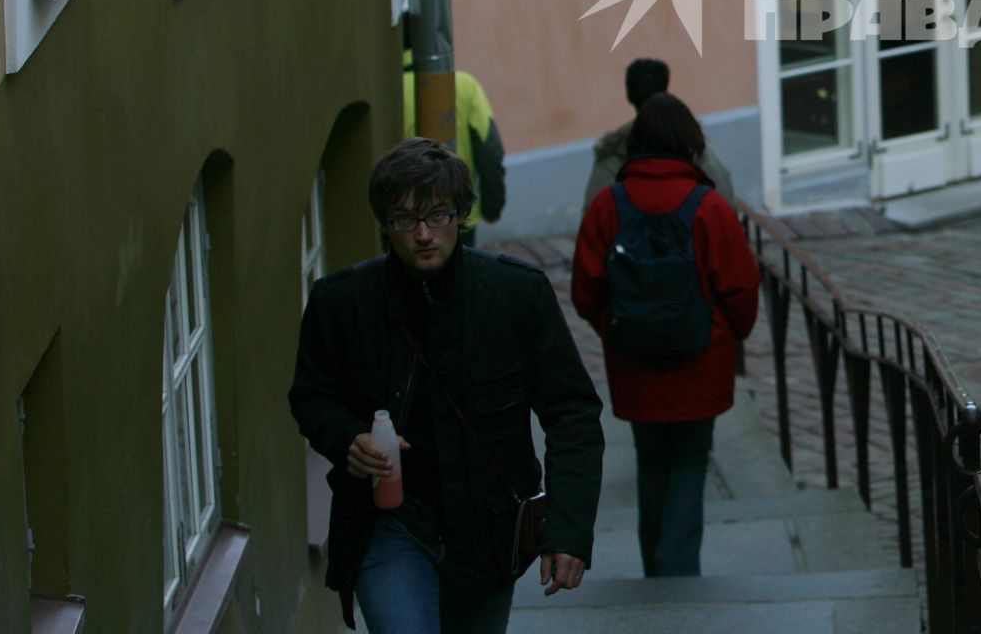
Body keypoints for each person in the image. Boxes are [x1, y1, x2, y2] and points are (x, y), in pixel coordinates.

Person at [291, 138, 604, 632]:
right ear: (384, 223)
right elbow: (310, 396)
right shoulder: (341, 302)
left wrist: (567, 532)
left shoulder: (516, 294)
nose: (422, 234)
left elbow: (572, 413)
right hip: (387, 524)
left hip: (486, 534)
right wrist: (347, 438)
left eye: (437, 215)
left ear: (461, 216)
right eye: (403, 219)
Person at [571, 94, 761, 577]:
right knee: (689, 463)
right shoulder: (709, 206)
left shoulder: (607, 206)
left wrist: (614, 328)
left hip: (634, 361)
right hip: (701, 360)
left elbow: (584, 288)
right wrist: (726, 335)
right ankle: (677, 572)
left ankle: (657, 567)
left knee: (650, 462)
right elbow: (741, 286)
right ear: (689, 143)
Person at [402, 15, 507, 246]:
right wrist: (492, 205)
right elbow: (490, 150)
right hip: (459, 212)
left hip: (407, 219)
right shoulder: (464, 85)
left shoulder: (392, 93)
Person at [583, 57, 735, 210]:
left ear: (629, 96)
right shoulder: (690, 141)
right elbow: (723, 193)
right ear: (665, 90)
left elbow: (594, 212)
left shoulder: (613, 151)